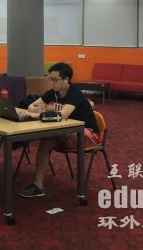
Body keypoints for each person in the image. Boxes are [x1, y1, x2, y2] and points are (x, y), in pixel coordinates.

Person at [19, 62, 99, 198]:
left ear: (66, 79)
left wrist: (38, 114)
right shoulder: (53, 93)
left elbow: (62, 115)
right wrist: (41, 109)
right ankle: (38, 186)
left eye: (55, 80)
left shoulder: (75, 94)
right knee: (45, 142)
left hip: (86, 135)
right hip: (66, 132)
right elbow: (31, 106)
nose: (52, 83)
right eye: (50, 79)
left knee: (49, 134)